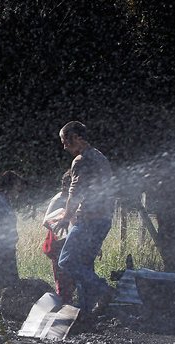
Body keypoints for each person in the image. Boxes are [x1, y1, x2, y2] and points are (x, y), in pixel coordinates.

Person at [53, 121, 116, 316]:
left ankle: (104, 291)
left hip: (87, 219)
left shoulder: (81, 160)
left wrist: (65, 217)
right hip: (104, 219)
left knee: (66, 262)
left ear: (77, 138)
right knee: (85, 264)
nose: (64, 146)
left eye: (66, 141)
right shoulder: (100, 157)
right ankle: (86, 310)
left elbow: (75, 193)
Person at [42, 170, 75, 303]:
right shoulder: (58, 199)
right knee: (62, 279)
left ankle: (70, 305)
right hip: (59, 243)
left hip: (72, 242)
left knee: (72, 279)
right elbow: (46, 221)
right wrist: (62, 226)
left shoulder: (74, 197)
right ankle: (62, 307)